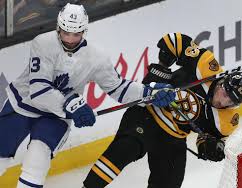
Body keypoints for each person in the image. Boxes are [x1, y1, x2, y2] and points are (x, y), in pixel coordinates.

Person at [0, 3, 176, 188]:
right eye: (65, 32)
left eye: (75, 34)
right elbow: (39, 90)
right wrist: (73, 103)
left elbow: (118, 88)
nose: (69, 39)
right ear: (58, 27)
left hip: (56, 115)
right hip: (22, 104)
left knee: (38, 158)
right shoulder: (42, 43)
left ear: (84, 31)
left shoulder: (96, 57)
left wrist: (148, 92)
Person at [82, 32, 242, 188]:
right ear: (222, 82)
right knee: (125, 149)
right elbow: (174, 40)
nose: (222, 100)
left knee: (170, 182)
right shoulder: (206, 66)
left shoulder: (227, 121)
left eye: (230, 100)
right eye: (224, 91)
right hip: (147, 114)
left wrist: (209, 147)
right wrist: (162, 67)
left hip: (173, 138)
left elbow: (211, 138)